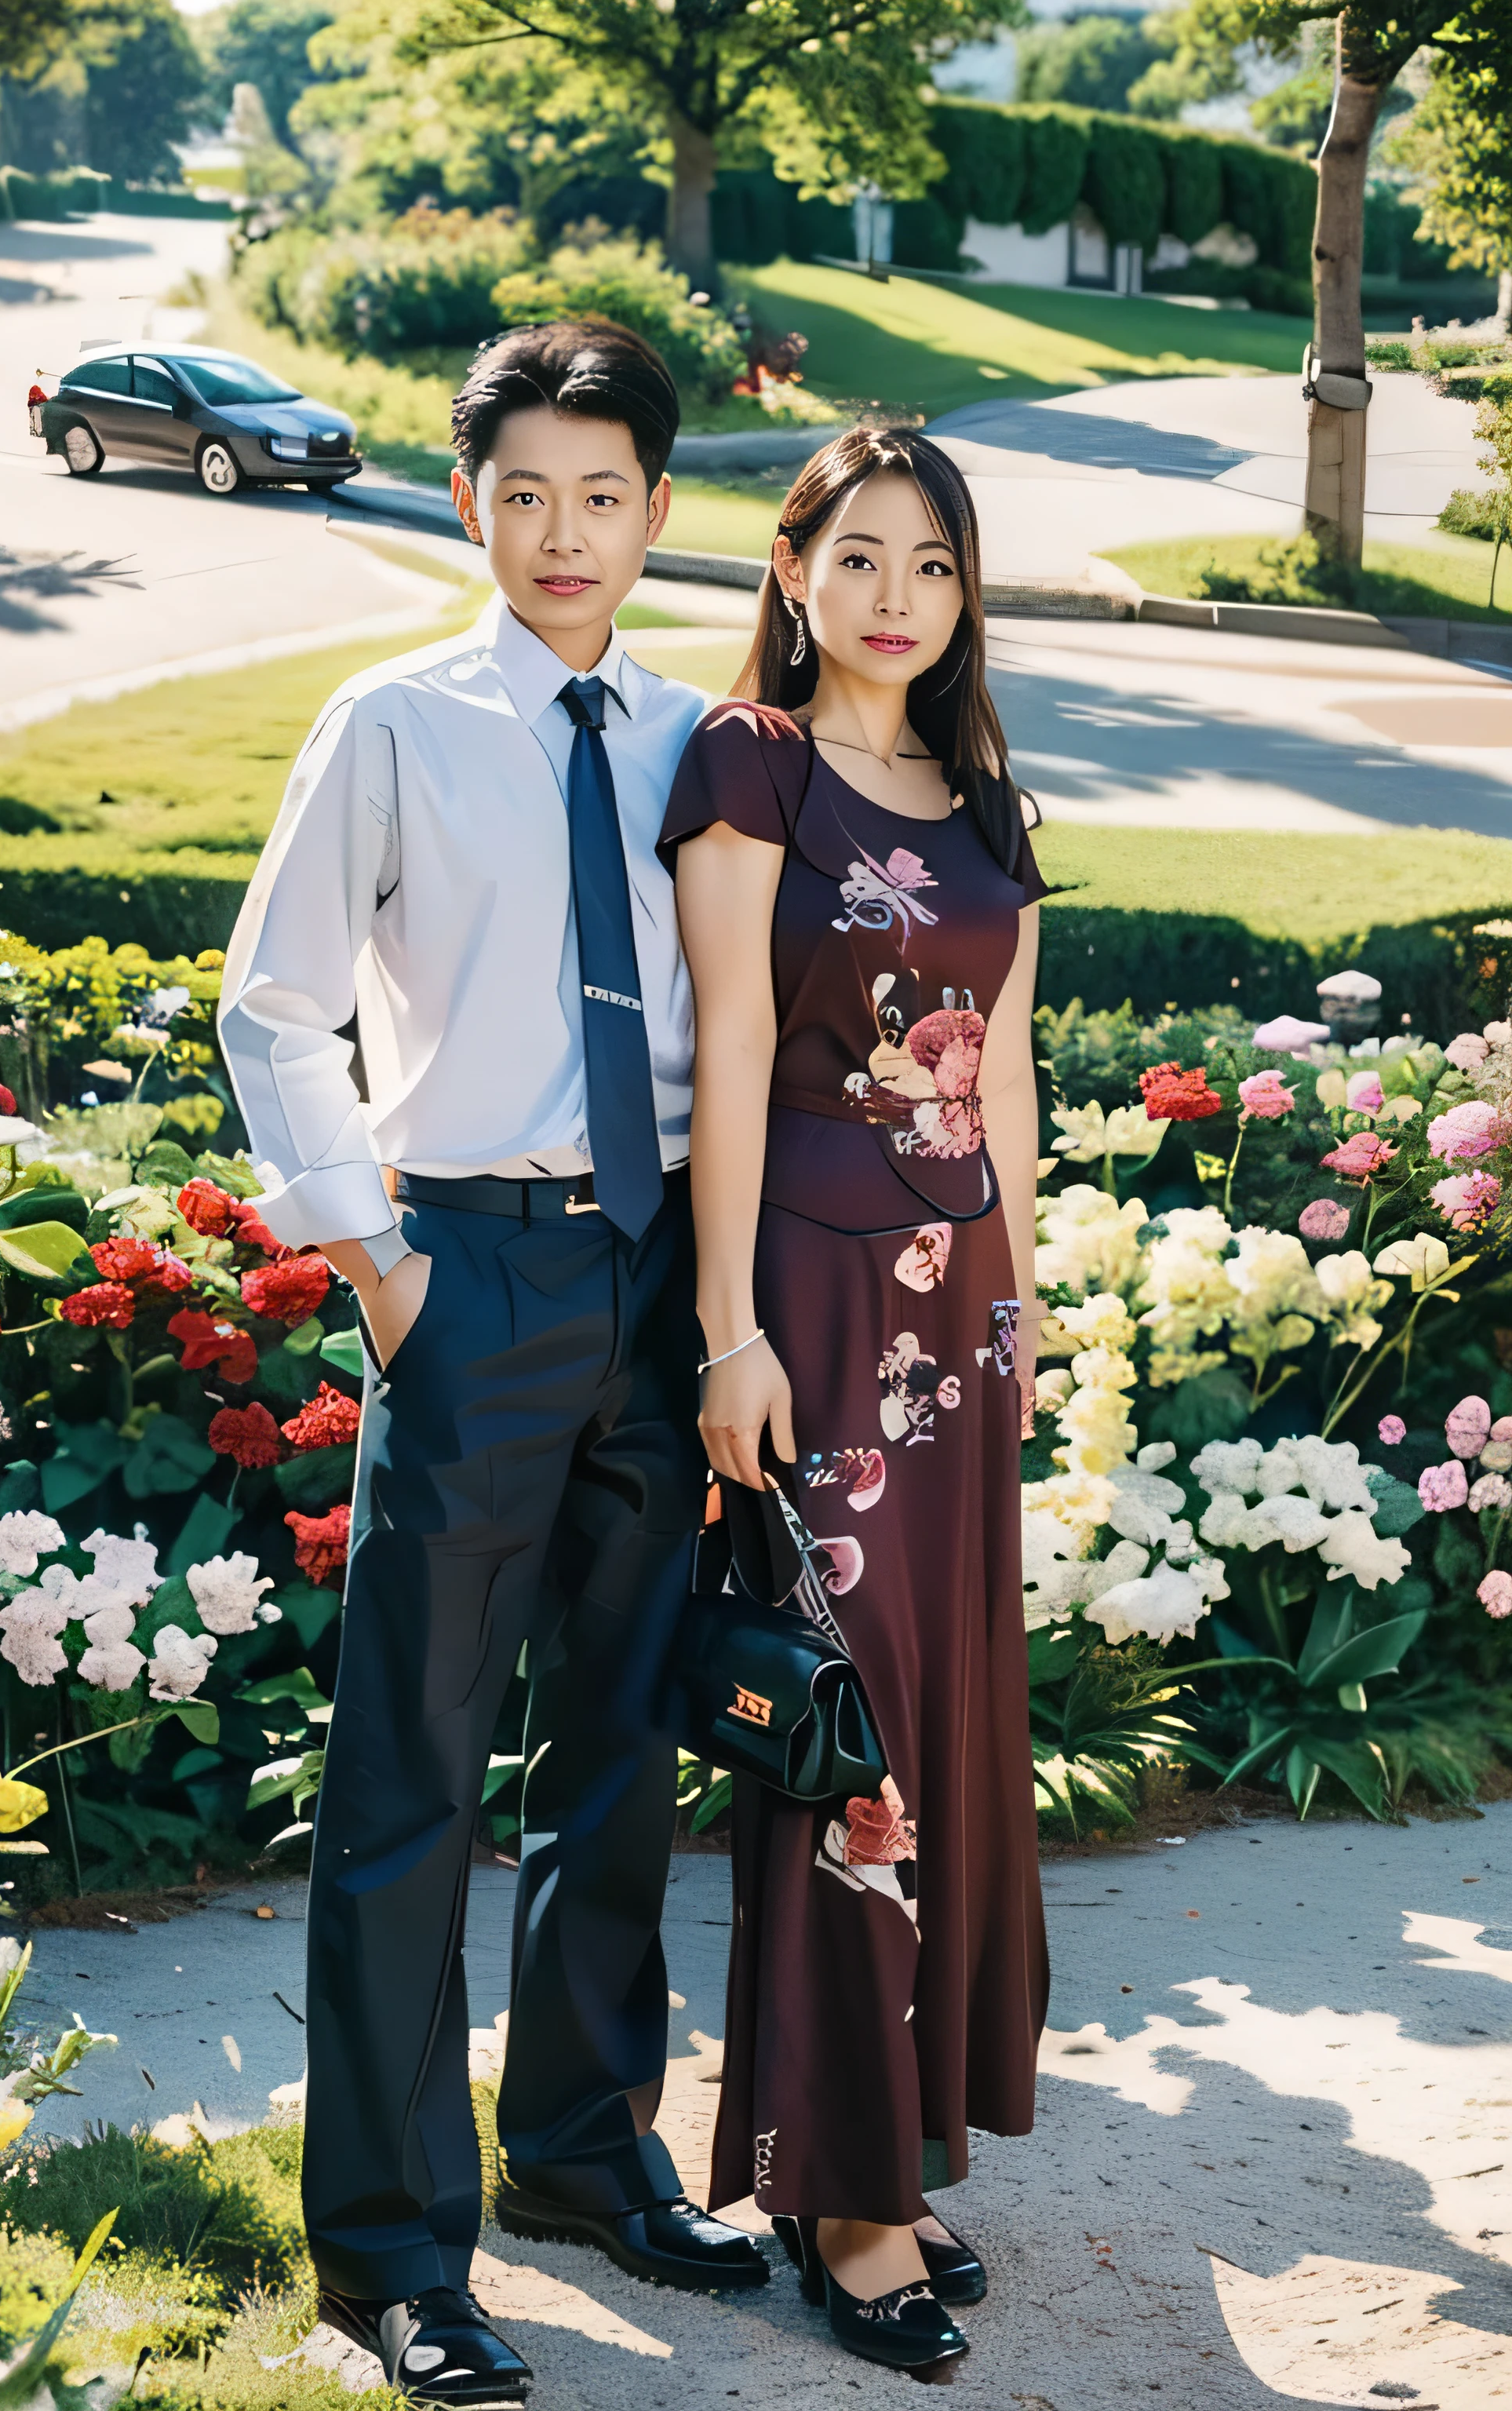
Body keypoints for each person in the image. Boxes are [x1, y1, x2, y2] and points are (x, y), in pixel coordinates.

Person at [217, 318, 768, 2410]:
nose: (563, 531)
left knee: (621, 1756)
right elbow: (276, 1003)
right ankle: (387, 2254)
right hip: (471, 1271)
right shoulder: (398, 721)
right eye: (523, 491)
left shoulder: (696, 736)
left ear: (654, 511)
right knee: (413, 1781)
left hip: (654, 1287)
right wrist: (377, 1259)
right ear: (471, 501)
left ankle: (576, 2159)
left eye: (604, 494)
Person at [659, 425, 1050, 2381]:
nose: (898, 595)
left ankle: (900, 2137)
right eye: (862, 556)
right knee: (848, 1730)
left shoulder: (985, 790)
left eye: (936, 564)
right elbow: (734, 1050)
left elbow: (1015, 1070)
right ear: (794, 568)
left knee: (949, 1718)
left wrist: (1032, 1305)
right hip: (812, 1294)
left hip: (958, 1316)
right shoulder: (752, 767)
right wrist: (725, 1324)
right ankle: (840, 2189)